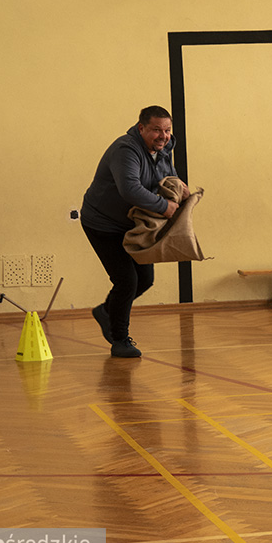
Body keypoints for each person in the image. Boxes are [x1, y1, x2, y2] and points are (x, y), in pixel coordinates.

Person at [81, 106, 186, 357]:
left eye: (167, 130)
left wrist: (179, 187)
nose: (163, 136)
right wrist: (164, 207)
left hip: (133, 225)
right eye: (156, 130)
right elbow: (130, 189)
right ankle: (120, 340)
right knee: (127, 281)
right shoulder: (125, 150)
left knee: (145, 280)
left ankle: (106, 311)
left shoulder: (163, 148)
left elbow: (166, 177)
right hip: (103, 224)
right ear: (141, 128)